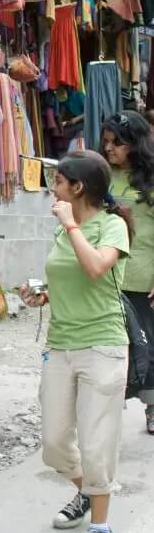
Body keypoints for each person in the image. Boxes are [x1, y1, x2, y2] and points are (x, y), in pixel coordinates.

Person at [19, 150, 133, 533]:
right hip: (61, 345)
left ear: (78, 188)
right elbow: (66, 277)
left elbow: (96, 269)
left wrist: (71, 225)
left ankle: (102, 530)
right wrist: (42, 295)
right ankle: (88, 491)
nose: (54, 188)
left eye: (60, 181)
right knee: (54, 443)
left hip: (102, 346)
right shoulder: (62, 231)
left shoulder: (112, 226)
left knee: (97, 440)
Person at [102, 111, 154, 432]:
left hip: (142, 275)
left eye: (117, 143)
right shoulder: (101, 174)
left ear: (134, 145)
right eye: (106, 142)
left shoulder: (150, 179)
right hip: (107, 273)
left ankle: (152, 406)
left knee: (147, 345)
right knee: (111, 344)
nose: (110, 149)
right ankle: (108, 406)